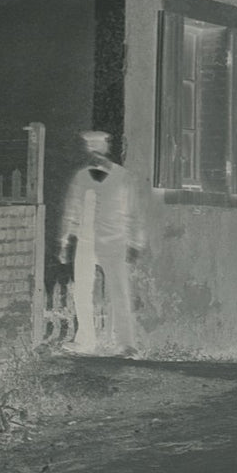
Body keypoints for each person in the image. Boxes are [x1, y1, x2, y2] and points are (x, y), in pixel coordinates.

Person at [56, 131, 145, 355]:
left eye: (99, 148)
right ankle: (85, 341)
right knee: (82, 292)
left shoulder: (123, 178)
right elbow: (72, 210)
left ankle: (126, 344)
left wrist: (134, 243)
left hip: (114, 242)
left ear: (107, 150)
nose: (95, 153)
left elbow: (133, 213)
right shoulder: (81, 178)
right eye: (91, 148)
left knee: (119, 292)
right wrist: (65, 240)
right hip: (85, 242)